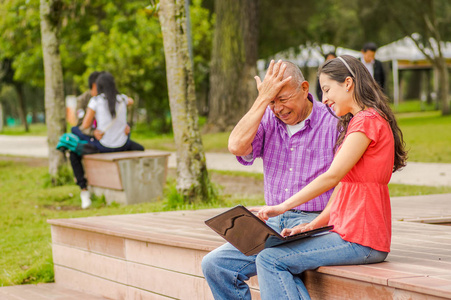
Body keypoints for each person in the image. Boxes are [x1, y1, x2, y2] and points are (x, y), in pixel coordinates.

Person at [248, 55, 407, 299]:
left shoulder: (366, 122)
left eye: (327, 89)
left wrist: (283, 206)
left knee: (271, 259)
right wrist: (314, 224)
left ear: (348, 83)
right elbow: (344, 185)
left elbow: (331, 177)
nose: (324, 99)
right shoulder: (361, 121)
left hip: (362, 238)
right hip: (350, 233)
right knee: (272, 257)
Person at [202, 59, 339, 299]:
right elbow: (236, 145)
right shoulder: (267, 116)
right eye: (272, 101)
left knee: (273, 262)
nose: (278, 109)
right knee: (215, 265)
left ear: (305, 88)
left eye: (283, 99)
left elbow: (343, 183)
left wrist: (313, 223)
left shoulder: (333, 121)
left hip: (314, 224)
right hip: (272, 225)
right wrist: (262, 100)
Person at [69, 72, 144, 209]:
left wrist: (94, 132)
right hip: (123, 144)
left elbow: (84, 125)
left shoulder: (96, 101)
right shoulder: (122, 99)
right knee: (140, 148)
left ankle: (84, 191)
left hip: (103, 145)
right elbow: (131, 101)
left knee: (74, 131)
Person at [75, 71, 104, 136]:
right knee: (75, 129)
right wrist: (92, 133)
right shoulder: (82, 100)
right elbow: (80, 123)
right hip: (89, 130)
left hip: (103, 130)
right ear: (94, 85)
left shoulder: (104, 98)